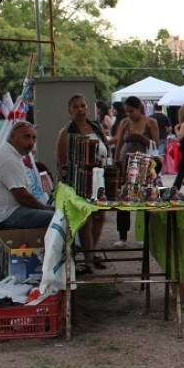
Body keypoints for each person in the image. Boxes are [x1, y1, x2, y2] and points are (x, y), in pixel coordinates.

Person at [56, 94, 108, 274]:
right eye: (75, 107)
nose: (79, 110)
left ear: (87, 108)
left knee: (100, 217)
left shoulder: (96, 127)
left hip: (100, 179)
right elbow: (62, 161)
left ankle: (91, 254)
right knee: (85, 220)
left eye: (82, 106)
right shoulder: (67, 132)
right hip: (79, 181)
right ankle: (89, 261)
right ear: (69, 111)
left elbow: (106, 148)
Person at [0, 121, 55, 230]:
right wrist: (44, 209)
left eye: (34, 138)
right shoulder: (8, 158)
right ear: (12, 137)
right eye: (26, 137)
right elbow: (22, 196)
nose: (31, 143)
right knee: (58, 218)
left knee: (58, 213)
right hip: (6, 214)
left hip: (8, 211)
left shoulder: (10, 153)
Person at [113, 96, 159, 247]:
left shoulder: (151, 122)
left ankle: (142, 234)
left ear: (139, 108)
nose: (129, 115)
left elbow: (155, 144)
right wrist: (116, 162)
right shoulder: (124, 123)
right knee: (123, 198)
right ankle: (122, 235)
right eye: (126, 112)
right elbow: (119, 143)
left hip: (144, 165)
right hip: (125, 163)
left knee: (142, 198)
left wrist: (140, 137)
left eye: (131, 111)